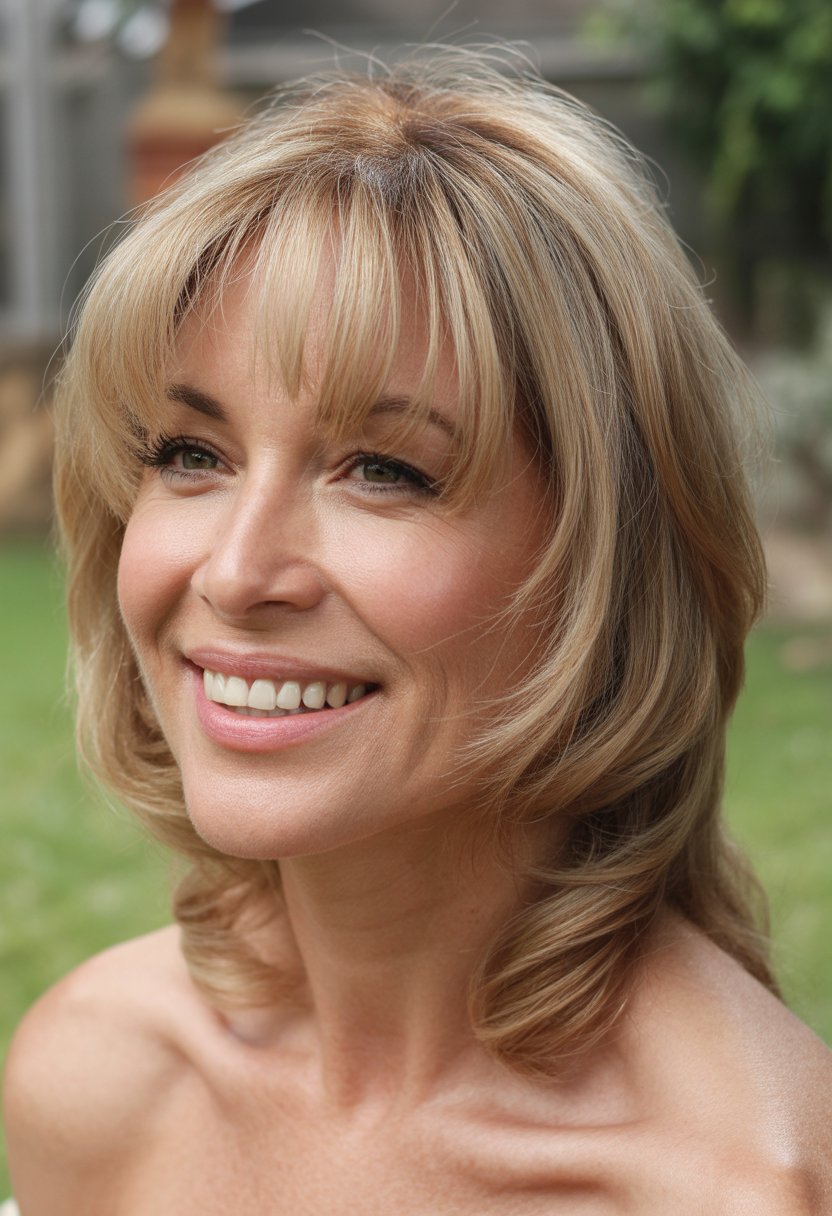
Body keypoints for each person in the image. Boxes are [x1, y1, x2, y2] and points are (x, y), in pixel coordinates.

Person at [4, 47, 831, 1214]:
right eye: (193, 454)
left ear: (609, 560)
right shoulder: (102, 1077)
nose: (236, 572)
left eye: (384, 469)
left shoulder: (739, 1186)